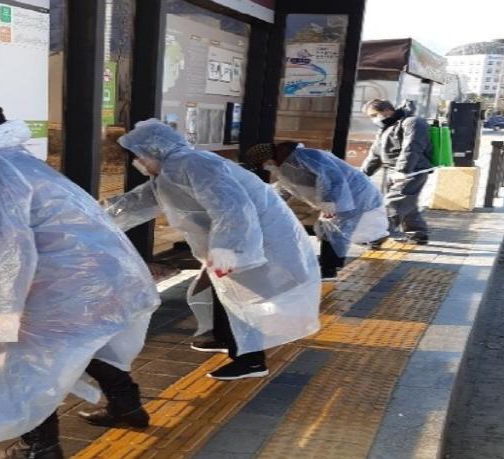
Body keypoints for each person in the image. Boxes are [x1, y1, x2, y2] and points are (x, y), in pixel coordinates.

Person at [0, 102, 161, 459]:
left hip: (68, 284)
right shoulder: (17, 159)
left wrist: (0, 314)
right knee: (84, 342)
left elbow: (7, 250)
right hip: (103, 274)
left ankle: (40, 448)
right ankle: (127, 406)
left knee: (26, 363)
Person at [105, 119, 321, 381]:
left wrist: (228, 249)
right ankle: (226, 339)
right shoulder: (169, 173)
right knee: (225, 292)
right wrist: (92, 218)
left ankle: (251, 361)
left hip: (256, 241)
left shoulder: (193, 164)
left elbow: (232, 207)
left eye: (138, 155)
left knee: (243, 298)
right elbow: (135, 203)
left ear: (154, 149)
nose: (136, 162)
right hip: (236, 242)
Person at [245, 143, 389, 279]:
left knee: (332, 230)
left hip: (353, 194)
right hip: (342, 196)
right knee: (330, 229)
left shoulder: (303, 156)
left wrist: (329, 199)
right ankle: (374, 240)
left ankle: (329, 269)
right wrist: (268, 204)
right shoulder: (285, 166)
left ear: (269, 158)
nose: (266, 167)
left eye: (263, 164)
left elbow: (331, 176)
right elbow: (286, 188)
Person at [361, 99, 433, 245]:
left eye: (374, 115)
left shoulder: (412, 122)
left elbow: (412, 147)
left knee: (393, 204)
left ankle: (375, 235)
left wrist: (402, 171)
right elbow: (375, 154)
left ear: (388, 111)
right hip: (394, 172)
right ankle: (417, 233)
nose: (374, 119)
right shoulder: (386, 127)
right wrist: (362, 175)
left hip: (412, 172)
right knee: (407, 204)